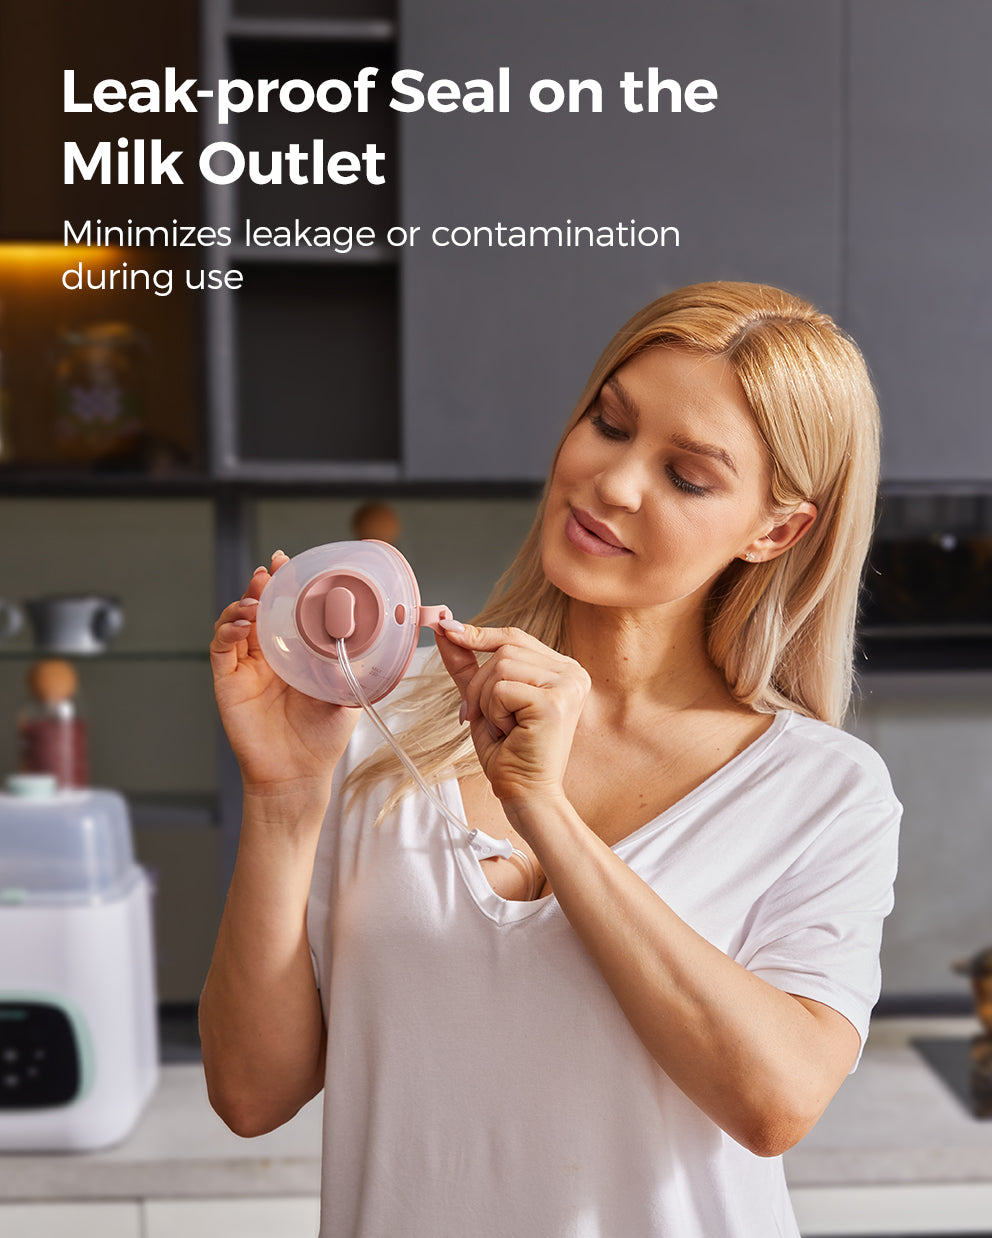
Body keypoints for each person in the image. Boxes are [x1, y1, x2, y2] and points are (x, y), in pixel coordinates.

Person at [200, 281, 901, 1237]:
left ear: (775, 531)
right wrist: (283, 796)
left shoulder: (823, 791)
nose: (613, 483)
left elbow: (774, 1104)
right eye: (609, 424)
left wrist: (545, 810)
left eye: (687, 476)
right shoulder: (373, 717)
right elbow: (251, 1094)